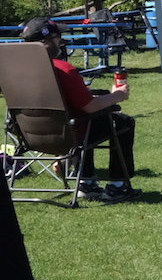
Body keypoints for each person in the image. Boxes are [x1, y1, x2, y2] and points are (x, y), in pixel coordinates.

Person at [21, 16, 138, 203]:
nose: (61, 41)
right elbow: (89, 106)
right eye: (58, 38)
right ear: (47, 43)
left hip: (28, 135)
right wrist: (117, 95)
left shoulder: (16, 71)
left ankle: (86, 181)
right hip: (69, 134)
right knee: (121, 122)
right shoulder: (63, 70)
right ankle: (117, 186)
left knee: (86, 119)